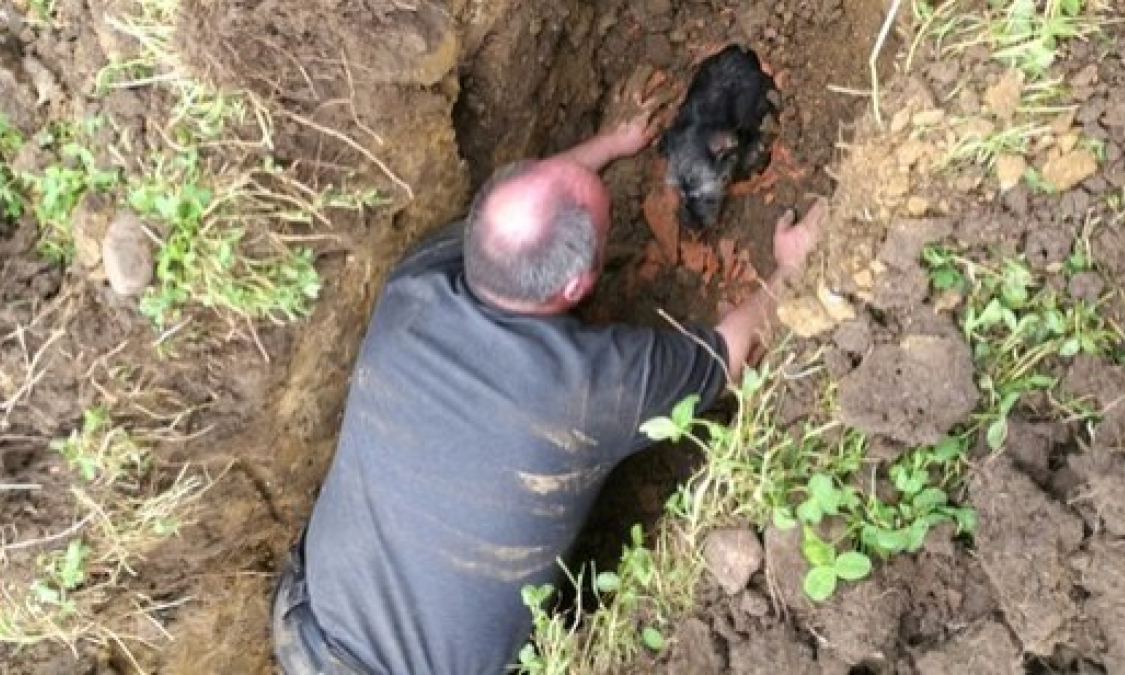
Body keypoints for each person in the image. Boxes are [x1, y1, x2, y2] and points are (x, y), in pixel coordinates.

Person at [270, 109, 826, 674]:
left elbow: (522, 204)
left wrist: (612, 144)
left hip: (301, 621)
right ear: (578, 285)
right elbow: (725, 358)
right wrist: (789, 271)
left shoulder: (412, 285)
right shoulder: (581, 386)